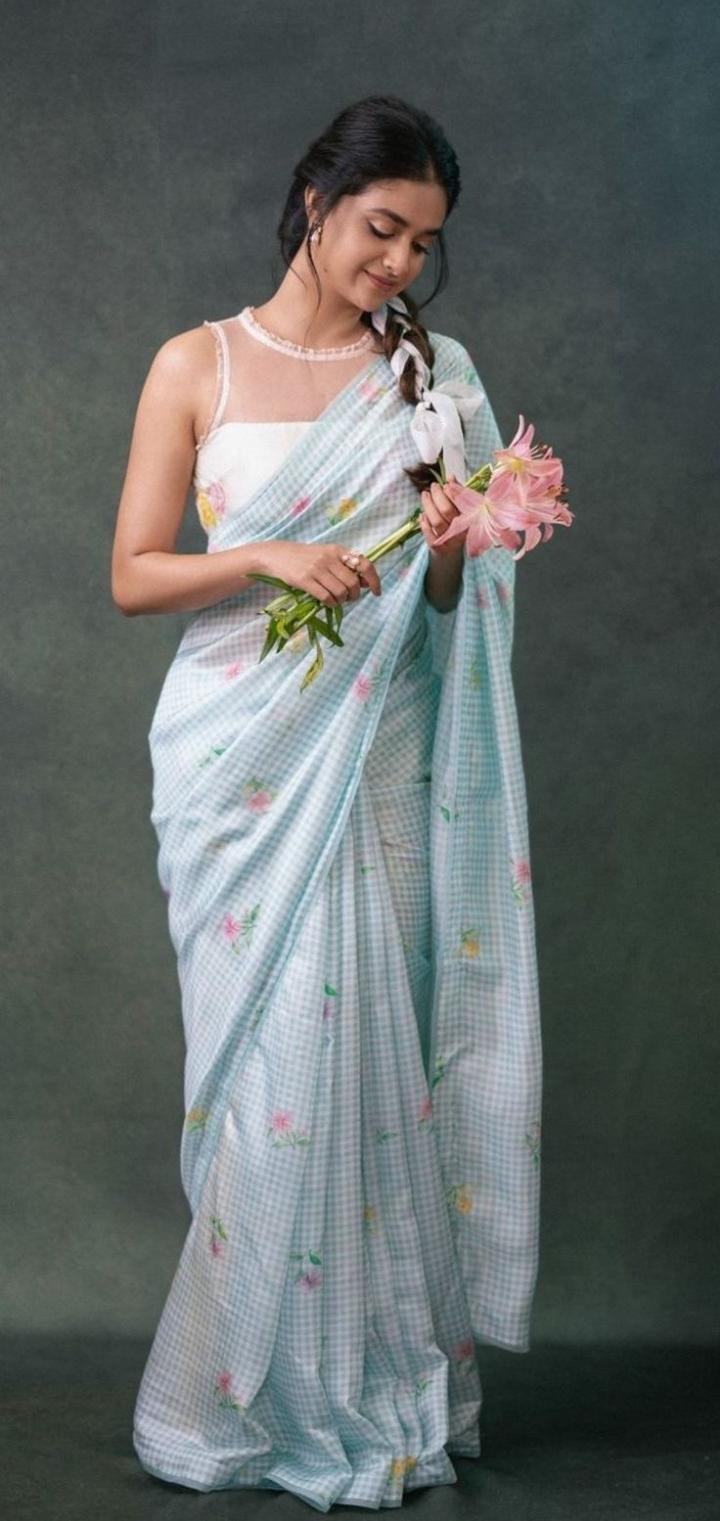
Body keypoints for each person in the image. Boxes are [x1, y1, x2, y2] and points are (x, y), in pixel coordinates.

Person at [111, 93, 542, 1512]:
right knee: (270, 1079)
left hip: (378, 757)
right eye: (381, 227)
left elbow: (447, 604)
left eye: (422, 243)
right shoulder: (197, 363)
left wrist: (451, 543)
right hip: (240, 768)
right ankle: (248, 1396)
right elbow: (134, 572)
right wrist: (270, 557)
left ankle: (364, 1385)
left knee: (367, 1077)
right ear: (315, 201)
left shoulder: (435, 378)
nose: (400, 263)